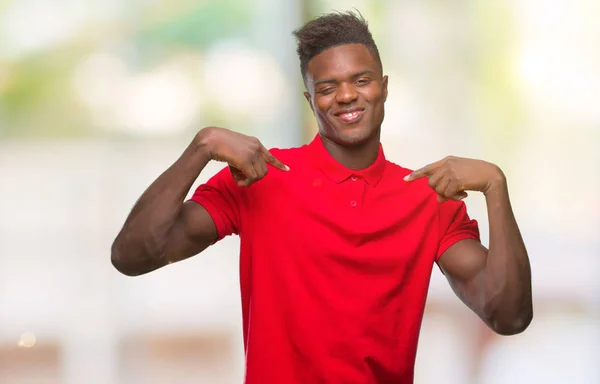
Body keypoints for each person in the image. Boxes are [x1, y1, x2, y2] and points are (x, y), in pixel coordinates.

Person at [111, 11, 533, 384]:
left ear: (383, 87)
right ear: (309, 99)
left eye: (361, 80)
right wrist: (201, 147)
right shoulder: (259, 179)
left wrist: (496, 185)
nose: (347, 96)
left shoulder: (428, 199)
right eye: (328, 87)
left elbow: (509, 315)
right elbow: (132, 256)